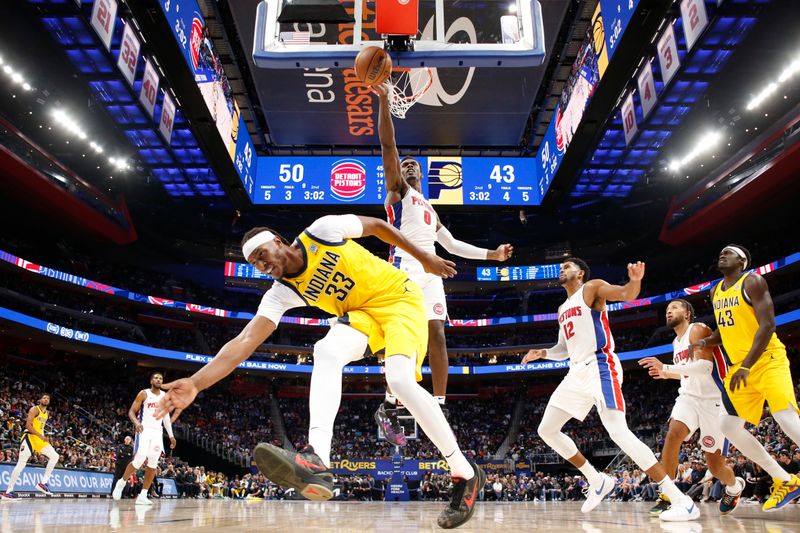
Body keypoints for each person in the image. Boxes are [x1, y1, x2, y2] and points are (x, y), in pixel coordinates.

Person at [155, 214, 486, 529]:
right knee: (325, 351)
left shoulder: (322, 231)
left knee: (398, 379)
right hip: (361, 315)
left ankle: (463, 470)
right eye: (254, 263)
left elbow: (379, 227)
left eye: (261, 254)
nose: (261, 264)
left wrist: (423, 257)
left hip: (399, 298)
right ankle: (318, 460)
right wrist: (197, 382)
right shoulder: (281, 292)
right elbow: (245, 340)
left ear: (279, 242)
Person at [372, 82, 514, 444]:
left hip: (432, 271)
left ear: (424, 175)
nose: (409, 166)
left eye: (414, 164)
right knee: (401, 335)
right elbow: (388, 146)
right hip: (403, 268)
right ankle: (391, 398)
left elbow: (452, 245)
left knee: (437, 332)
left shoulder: (430, 209)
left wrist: (492, 256)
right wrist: (386, 101)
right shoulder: (398, 193)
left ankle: (438, 401)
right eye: (405, 165)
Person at [521, 258, 699, 521]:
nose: (562, 270)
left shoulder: (591, 288)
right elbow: (563, 350)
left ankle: (680, 499)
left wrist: (635, 281)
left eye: (567, 267)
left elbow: (625, 294)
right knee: (546, 430)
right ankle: (597, 479)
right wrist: (542, 352)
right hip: (576, 371)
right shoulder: (561, 308)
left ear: (580, 274)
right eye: (561, 268)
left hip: (599, 364)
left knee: (618, 432)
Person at [693, 244, 800, 511]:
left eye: (728, 252)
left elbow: (768, 325)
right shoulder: (715, 290)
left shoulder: (752, 281)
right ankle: (785, 480)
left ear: (742, 261)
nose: (722, 254)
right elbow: (725, 327)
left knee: (785, 416)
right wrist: (707, 340)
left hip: (766, 359)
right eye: (720, 252)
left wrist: (747, 365)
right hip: (739, 366)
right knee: (728, 426)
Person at [639, 299, 744, 515]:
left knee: (715, 467)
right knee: (673, 434)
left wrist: (666, 367)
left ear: (688, 313)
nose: (669, 311)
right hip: (688, 396)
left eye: (675, 308)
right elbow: (687, 372)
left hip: (714, 401)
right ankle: (669, 494)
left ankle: (735, 487)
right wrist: (666, 374)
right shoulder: (676, 342)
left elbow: (705, 368)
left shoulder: (698, 330)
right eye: (667, 310)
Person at [112, 372, 176, 505]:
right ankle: (121, 482)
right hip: (144, 429)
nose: (159, 380)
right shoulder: (144, 393)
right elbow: (131, 411)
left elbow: (166, 417)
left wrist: (171, 435)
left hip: (157, 432)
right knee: (140, 458)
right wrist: (136, 423)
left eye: (161, 378)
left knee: (153, 463)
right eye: (156, 378)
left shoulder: (165, 396)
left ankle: (143, 495)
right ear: (151, 381)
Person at [1, 393, 59, 499]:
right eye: (44, 398)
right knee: (21, 464)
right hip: (29, 437)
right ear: (40, 399)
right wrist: (41, 436)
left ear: (49, 402)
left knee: (55, 456)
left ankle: (43, 483)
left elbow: (40, 427)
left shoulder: (47, 413)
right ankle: (8, 491)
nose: (46, 399)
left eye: (48, 399)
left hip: (39, 439)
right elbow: (28, 425)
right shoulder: (34, 409)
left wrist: (44, 438)